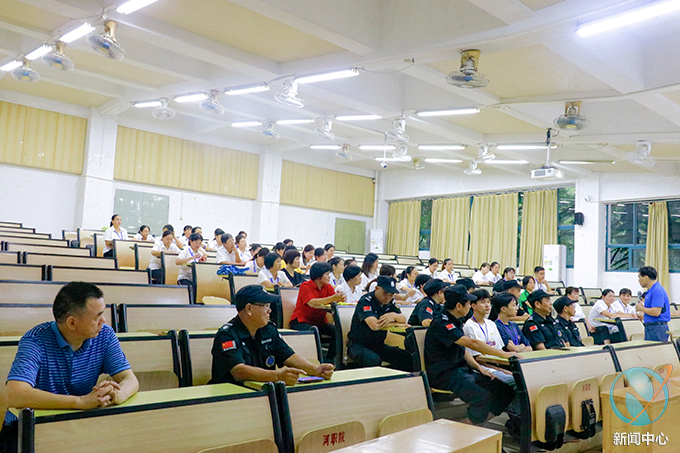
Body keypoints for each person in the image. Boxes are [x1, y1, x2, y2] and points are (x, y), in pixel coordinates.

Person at [1, 282, 139, 451]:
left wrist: (118, 394)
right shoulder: (35, 340)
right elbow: (15, 395)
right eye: (97, 316)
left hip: (77, 421)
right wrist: (80, 401)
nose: (103, 321)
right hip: (31, 427)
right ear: (72, 323)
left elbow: (129, 379)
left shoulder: (105, 335)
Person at [424, 285, 516, 426]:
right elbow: (471, 343)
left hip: (462, 371)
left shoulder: (456, 320)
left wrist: (479, 368)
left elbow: (463, 349)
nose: (469, 306)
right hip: (444, 375)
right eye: (468, 303)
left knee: (504, 390)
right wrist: (503, 354)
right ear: (459, 306)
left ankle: (475, 424)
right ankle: (466, 428)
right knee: (482, 397)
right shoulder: (442, 323)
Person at [209, 285, 333, 386]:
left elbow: (288, 356)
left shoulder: (268, 329)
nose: (270, 311)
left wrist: (315, 369)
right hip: (231, 395)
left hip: (261, 391)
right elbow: (239, 371)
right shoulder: (227, 335)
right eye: (266, 306)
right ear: (249, 309)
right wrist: (278, 376)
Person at [347, 276, 411, 371]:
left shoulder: (389, 303)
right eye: (385, 293)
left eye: (391, 294)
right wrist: (395, 324)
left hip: (378, 345)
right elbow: (375, 325)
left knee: (407, 357)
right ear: (377, 288)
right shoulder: (366, 301)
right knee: (374, 359)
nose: (388, 297)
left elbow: (402, 319)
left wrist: (393, 315)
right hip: (358, 345)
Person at [289, 263, 345, 362]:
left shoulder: (327, 287)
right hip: (301, 321)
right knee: (314, 331)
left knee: (336, 331)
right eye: (327, 274)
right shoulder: (305, 286)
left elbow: (334, 301)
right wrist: (333, 298)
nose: (329, 277)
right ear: (319, 276)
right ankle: (316, 361)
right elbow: (312, 302)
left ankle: (330, 359)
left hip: (319, 322)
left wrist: (340, 299)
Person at [636, 266, 671, 342]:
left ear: (646, 277)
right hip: (652, 327)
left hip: (657, 328)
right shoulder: (651, 291)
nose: (638, 280)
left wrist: (641, 308)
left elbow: (656, 312)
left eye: (639, 277)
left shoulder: (657, 290)